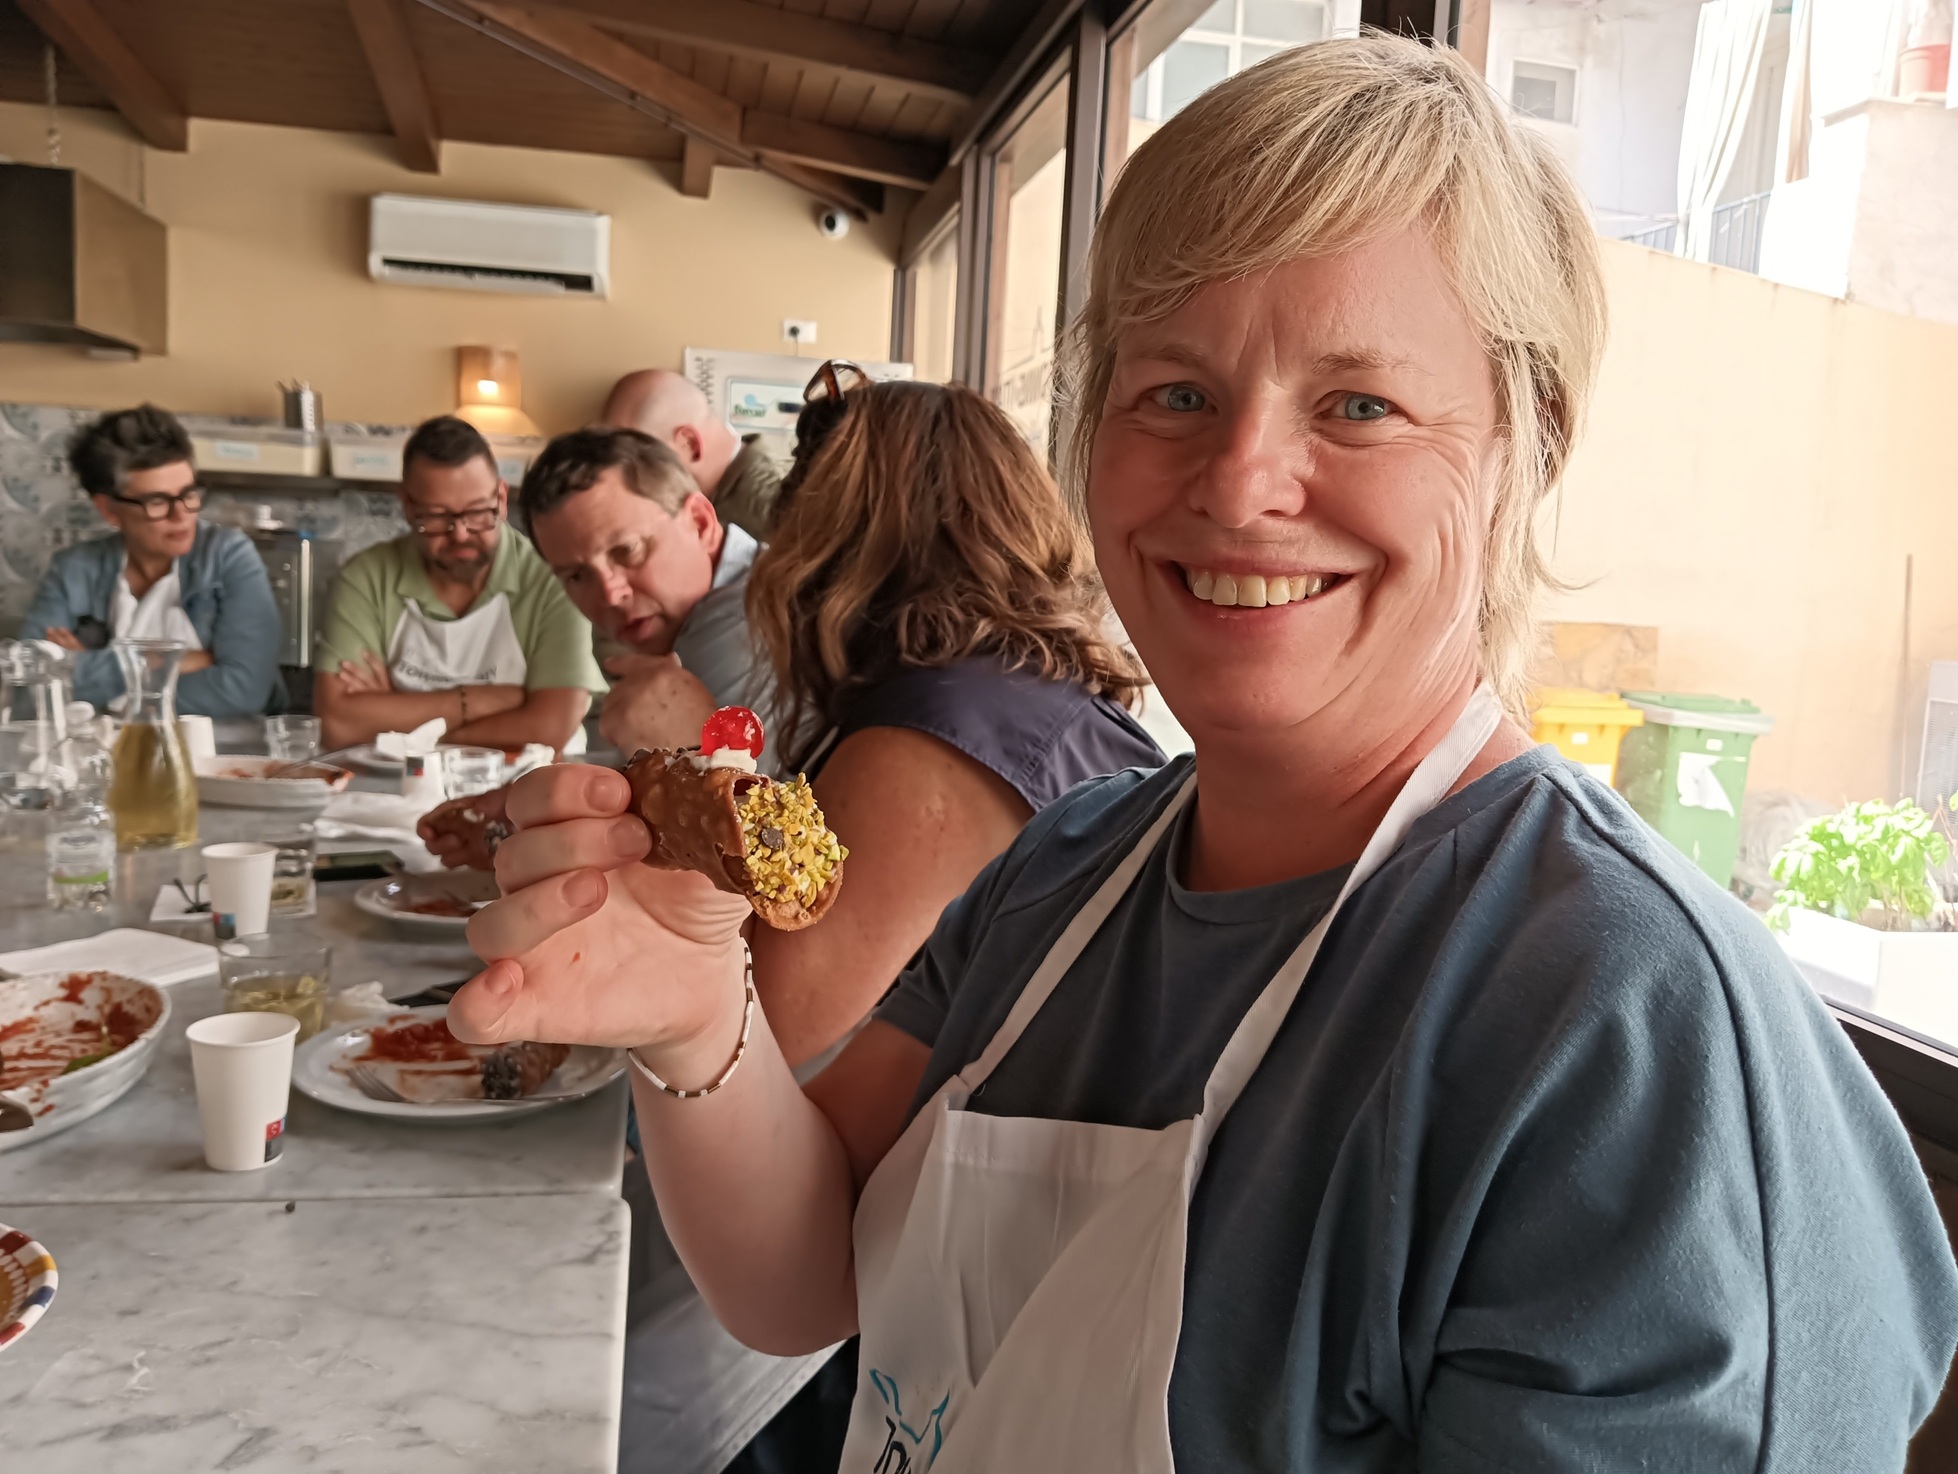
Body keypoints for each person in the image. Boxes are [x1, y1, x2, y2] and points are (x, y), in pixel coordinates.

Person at [450, 39, 1958, 1472]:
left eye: (1356, 404)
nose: (1239, 484)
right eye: (1174, 392)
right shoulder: (1065, 869)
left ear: (1526, 439)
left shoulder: (1634, 1039)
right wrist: (695, 1018)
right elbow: (804, 1280)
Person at [417, 427, 779, 871]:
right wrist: (516, 809)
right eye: (576, 576)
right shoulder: (708, 603)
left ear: (701, 523)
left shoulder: (744, 618)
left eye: (628, 551)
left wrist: (510, 835)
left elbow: (763, 848)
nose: (609, 594)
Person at [313, 415, 603, 753]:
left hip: (538, 778)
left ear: (502, 499)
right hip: (400, 781)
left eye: (478, 512)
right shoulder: (367, 578)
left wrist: (402, 726)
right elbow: (337, 723)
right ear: (408, 506)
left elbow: (550, 728)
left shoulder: (553, 577)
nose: (461, 534)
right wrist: (478, 702)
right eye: (438, 516)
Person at [20, 404, 282, 718]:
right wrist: (164, 661)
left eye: (188, 493)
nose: (181, 515)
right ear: (109, 510)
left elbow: (243, 690)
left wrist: (97, 680)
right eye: (157, 501)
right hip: (102, 746)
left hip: (223, 745)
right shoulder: (73, 569)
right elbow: (30, 687)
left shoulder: (228, 556)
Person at [603, 369, 782, 539]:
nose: (623, 474)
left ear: (689, 444)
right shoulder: (753, 480)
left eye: (640, 459)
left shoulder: (767, 518)